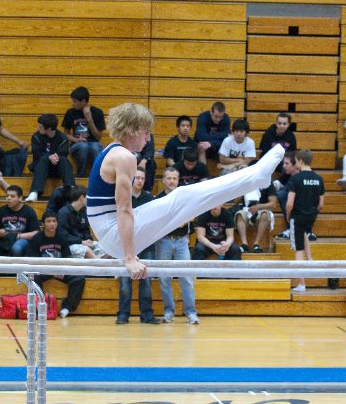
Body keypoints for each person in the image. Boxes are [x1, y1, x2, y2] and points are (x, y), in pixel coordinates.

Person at [86, 102, 285, 279]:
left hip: (110, 232)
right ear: (133, 130)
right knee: (184, 198)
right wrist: (129, 258)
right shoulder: (124, 157)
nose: (148, 139)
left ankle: (256, 177)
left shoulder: (110, 150)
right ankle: (257, 176)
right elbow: (123, 210)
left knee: (183, 199)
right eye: (147, 132)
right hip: (113, 233)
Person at [153, 167, 198, 324]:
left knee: (186, 278)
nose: (172, 181)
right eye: (169, 178)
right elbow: (158, 221)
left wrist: (183, 221)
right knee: (164, 278)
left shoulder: (184, 197)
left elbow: (193, 215)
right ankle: (168, 312)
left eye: (175, 178)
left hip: (181, 242)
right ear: (163, 180)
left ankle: (191, 312)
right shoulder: (158, 199)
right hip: (163, 241)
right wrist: (175, 221)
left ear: (178, 181)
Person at [116, 168, 160, 325]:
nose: (140, 181)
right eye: (137, 178)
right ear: (131, 179)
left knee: (146, 282)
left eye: (142, 178)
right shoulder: (123, 197)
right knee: (125, 283)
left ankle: (147, 315)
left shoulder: (149, 198)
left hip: (146, 245)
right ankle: (122, 315)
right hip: (126, 246)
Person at [27, 211, 85, 319]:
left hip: (59, 269)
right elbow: (32, 261)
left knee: (79, 278)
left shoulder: (62, 237)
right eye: (48, 221)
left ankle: (67, 307)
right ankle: (40, 306)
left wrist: (61, 270)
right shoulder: (36, 238)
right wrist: (47, 270)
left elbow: (68, 258)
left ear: (57, 223)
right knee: (33, 277)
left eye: (54, 221)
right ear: (43, 224)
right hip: (43, 270)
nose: (52, 224)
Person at [286, 149, 324, 292]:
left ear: (300, 161)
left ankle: (301, 283)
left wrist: (288, 214)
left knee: (298, 249)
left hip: (298, 215)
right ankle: (310, 259)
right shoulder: (319, 178)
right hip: (311, 216)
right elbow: (321, 203)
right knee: (304, 234)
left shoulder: (295, 179)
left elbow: (289, 203)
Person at [27, 113, 74, 202]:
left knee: (63, 159)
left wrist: (55, 158)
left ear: (48, 129)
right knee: (44, 158)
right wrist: (49, 157)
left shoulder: (62, 138)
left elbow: (63, 153)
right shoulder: (36, 136)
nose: (38, 128)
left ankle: (71, 189)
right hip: (41, 168)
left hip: (57, 168)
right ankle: (34, 192)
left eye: (40, 126)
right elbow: (36, 154)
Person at [62, 86, 105, 177]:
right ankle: (80, 175)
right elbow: (65, 134)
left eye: (75, 102)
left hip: (94, 143)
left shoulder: (97, 112)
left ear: (84, 101)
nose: (72, 104)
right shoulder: (70, 112)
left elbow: (98, 137)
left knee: (94, 147)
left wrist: (89, 119)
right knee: (83, 146)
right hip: (77, 144)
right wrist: (76, 140)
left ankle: (97, 176)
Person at [0, 185, 40, 257]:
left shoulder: (29, 211)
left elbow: (36, 233)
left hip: (22, 240)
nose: (8, 198)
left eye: (12, 196)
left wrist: (17, 236)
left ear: (20, 198)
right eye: (7, 196)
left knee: (16, 248)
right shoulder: (1, 210)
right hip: (4, 240)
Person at [57, 185, 105, 259]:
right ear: (82, 197)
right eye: (87, 197)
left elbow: (85, 230)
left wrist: (88, 240)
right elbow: (63, 236)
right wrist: (81, 242)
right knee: (87, 251)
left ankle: (100, 266)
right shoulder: (63, 213)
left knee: (105, 248)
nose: (88, 199)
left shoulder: (83, 211)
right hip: (68, 245)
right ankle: (101, 268)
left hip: (82, 243)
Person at [235, 183, 277, 253]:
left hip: (262, 209)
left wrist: (258, 207)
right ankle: (244, 244)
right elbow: (235, 201)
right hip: (247, 210)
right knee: (240, 214)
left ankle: (256, 243)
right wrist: (244, 189)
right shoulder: (245, 182)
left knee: (265, 214)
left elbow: (273, 204)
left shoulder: (268, 183)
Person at [273, 151, 298, 240]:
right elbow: (279, 182)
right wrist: (275, 185)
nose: (283, 166)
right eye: (284, 163)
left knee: (283, 194)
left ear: (295, 165)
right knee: (281, 194)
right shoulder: (288, 174)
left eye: (287, 163)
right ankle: (291, 227)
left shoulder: (301, 177)